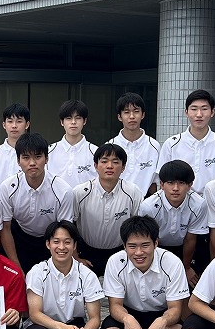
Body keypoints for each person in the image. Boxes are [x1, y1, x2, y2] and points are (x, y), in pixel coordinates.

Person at [101, 215, 189, 329]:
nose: (139, 252)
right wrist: (127, 319)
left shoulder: (172, 262)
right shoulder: (115, 261)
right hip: (129, 311)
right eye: (132, 246)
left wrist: (162, 321)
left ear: (156, 243)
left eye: (145, 245)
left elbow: (175, 309)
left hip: (161, 313)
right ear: (124, 245)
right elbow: (115, 305)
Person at [25, 220, 109, 329]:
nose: (61, 247)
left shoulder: (86, 274)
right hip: (45, 325)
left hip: (74, 326)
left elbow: (95, 318)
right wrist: (62, 328)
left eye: (67, 242)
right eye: (56, 241)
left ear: (75, 245)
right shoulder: (37, 272)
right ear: (48, 244)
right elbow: (34, 313)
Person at [0, 133, 75, 272]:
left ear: (46, 159)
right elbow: (5, 228)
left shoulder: (63, 190)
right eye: (26, 158)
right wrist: (16, 266)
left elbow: (64, 231)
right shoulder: (7, 188)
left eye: (38, 157)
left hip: (50, 239)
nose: (32, 163)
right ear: (18, 161)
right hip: (18, 238)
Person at [72, 144, 145, 274]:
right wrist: (75, 257)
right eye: (104, 161)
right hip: (86, 253)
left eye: (115, 162)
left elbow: (138, 226)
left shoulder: (133, 192)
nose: (109, 166)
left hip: (120, 253)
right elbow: (69, 226)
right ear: (95, 165)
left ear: (123, 167)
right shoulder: (80, 192)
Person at [140, 159, 207, 289]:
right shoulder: (148, 206)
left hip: (185, 248)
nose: (175, 188)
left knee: (191, 284)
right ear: (161, 184)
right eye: (170, 183)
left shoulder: (199, 204)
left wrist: (186, 268)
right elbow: (148, 239)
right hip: (157, 246)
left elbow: (191, 238)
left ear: (190, 185)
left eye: (181, 183)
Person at [157, 90, 215, 193]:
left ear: (212, 112)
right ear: (186, 112)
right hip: (181, 200)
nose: (199, 114)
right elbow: (162, 178)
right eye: (194, 109)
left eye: (204, 109)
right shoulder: (171, 144)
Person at [109, 92, 160, 196]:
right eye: (126, 112)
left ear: (143, 115)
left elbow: (156, 183)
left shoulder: (154, 146)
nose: (132, 116)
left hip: (145, 202)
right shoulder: (110, 146)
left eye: (136, 111)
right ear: (119, 117)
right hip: (116, 200)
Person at [47, 99, 98, 185]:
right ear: (62, 122)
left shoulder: (95, 152)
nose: (73, 122)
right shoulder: (49, 151)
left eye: (78, 118)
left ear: (84, 121)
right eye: (69, 118)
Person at [0, 103, 32, 193]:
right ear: (4, 125)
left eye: (19, 121)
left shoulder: (35, 154)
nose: (14, 126)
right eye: (10, 121)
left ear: (27, 125)